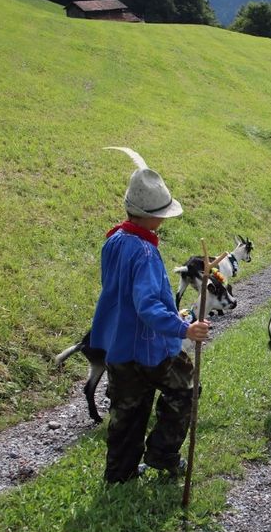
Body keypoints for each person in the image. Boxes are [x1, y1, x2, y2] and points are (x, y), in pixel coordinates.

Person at [90, 147, 211, 484]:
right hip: (149, 347)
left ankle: (119, 474)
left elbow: (123, 296)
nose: (164, 219)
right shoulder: (144, 252)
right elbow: (147, 307)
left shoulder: (114, 240)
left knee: (127, 411)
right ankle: (161, 454)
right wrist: (184, 328)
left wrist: (173, 313)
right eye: (161, 214)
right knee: (185, 386)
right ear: (149, 215)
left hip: (119, 347)